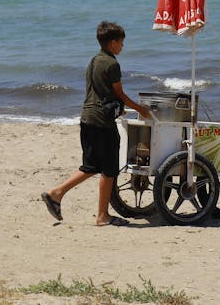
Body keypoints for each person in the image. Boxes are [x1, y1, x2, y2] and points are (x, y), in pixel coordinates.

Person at [42, 21, 151, 227]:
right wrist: (141, 109)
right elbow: (119, 93)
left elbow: (101, 93)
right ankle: (102, 216)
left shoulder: (93, 61)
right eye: (121, 42)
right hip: (102, 123)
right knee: (109, 169)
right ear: (112, 42)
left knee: (91, 166)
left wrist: (118, 106)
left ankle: (56, 193)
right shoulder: (112, 64)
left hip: (87, 118)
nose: (122, 46)